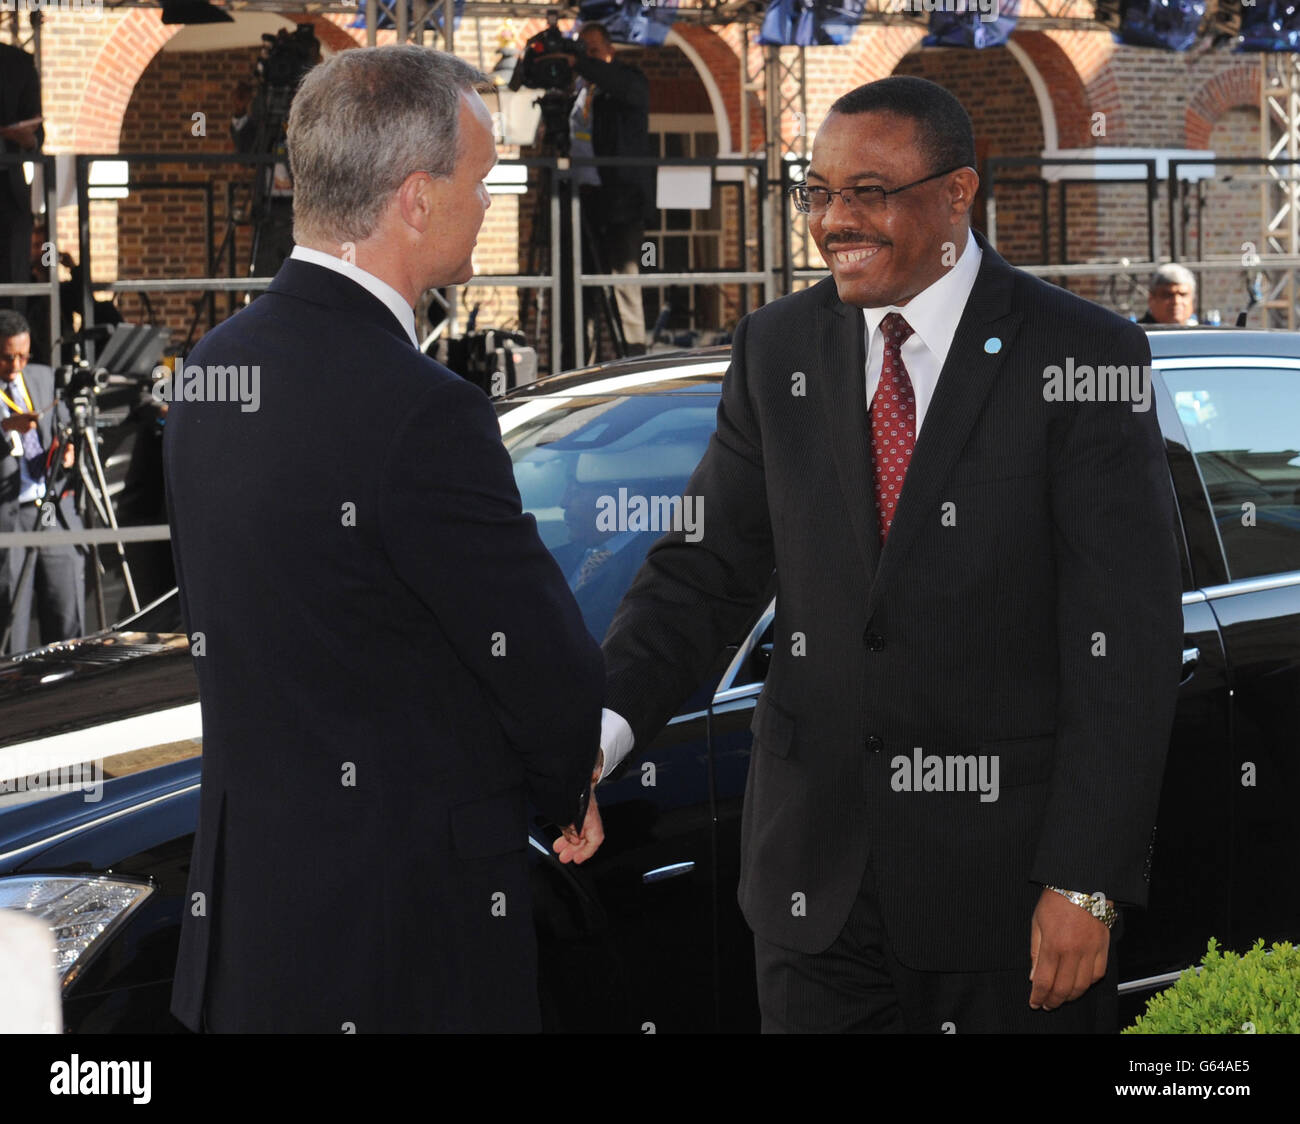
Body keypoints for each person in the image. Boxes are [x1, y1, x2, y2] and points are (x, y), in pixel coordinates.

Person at [561, 76, 1183, 1033]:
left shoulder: (1080, 355)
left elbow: (1126, 645)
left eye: (870, 192)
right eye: (817, 193)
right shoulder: (777, 349)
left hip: (1007, 901)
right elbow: (701, 571)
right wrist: (598, 741)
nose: (834, 221)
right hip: (814, 897)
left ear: (958, 193)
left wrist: (1087, 882)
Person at [163, 45, 605, 1034]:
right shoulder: (421, 410)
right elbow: (542, 664)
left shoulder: (208, 375)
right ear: (414, 198)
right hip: (402, 945)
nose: (490, 203)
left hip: (249, 940)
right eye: (481, 179)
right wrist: (565, 778)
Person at [0, 309, 82, 654]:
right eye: (7, 358)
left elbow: (64, 428)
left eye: (23, 355)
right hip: (9, 516)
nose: (17, 365)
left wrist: (67, 453)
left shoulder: (43, 377)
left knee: (67, 619)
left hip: (51, 509)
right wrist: (5, 428)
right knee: (10, 625)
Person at [571, 22, 654, 355]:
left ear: (609, 50)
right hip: (585, 198)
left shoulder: (629, 80)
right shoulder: (578, 89)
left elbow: (623, 89)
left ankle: (633, 359)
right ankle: (582, 363)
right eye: (581, 50)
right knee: (583, 289)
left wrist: (577, 62)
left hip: (622, 199)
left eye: (592, 50)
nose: (586, 57)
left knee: (624, 285)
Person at [0, 43, 42, 320]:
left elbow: (38, 136)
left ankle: (11, 350)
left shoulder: (17, 63)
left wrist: (26, 138)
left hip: (8, 190)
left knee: (13, 290)